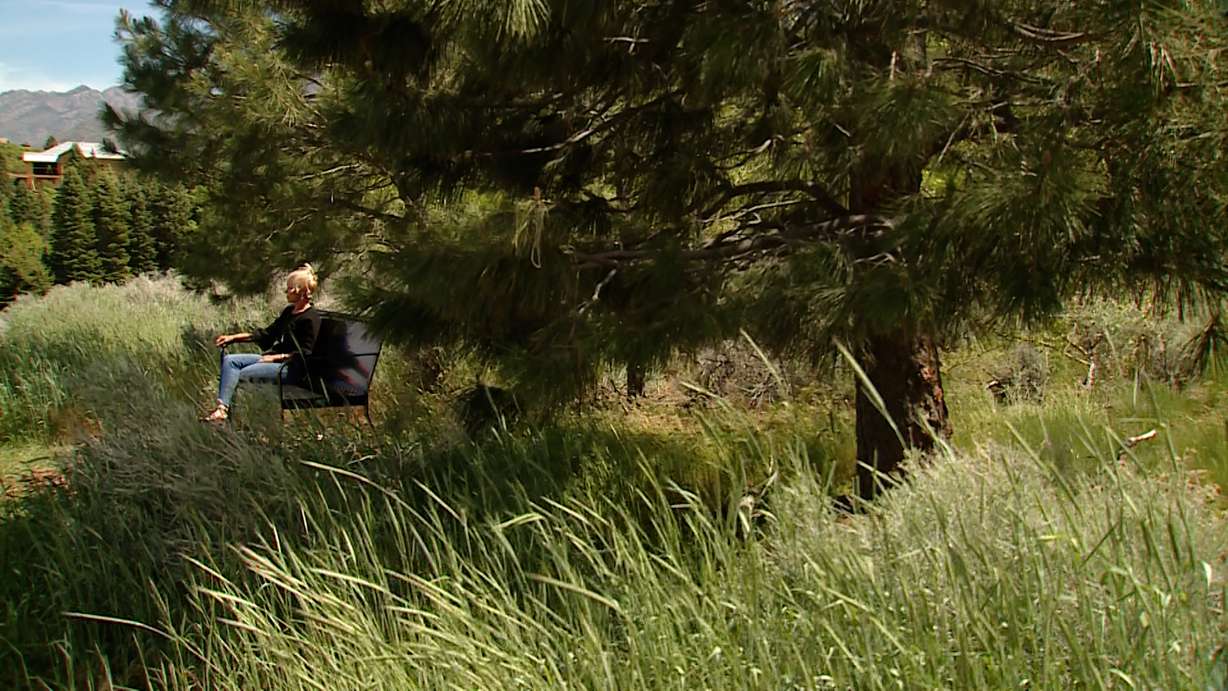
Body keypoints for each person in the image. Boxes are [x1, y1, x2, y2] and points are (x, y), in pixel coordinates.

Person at [202, 264, 322, 422]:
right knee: (230, 361)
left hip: (292, 369)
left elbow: (305, 353)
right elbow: (267, 335)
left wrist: (275, 358)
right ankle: (222, 409)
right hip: (275, 361)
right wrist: (234, 337)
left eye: (289, 288)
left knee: (243, 372)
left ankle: (253, 419)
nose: (286, 292)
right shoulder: (289, 312)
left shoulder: (311, 319)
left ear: (299, 291)